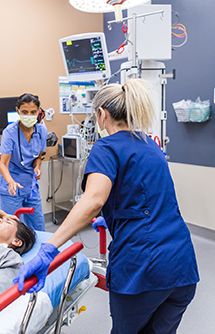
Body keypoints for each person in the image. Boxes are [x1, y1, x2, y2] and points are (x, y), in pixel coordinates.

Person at [14, 79, 199, 334]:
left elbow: (93, 200)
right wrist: (114, 217)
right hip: (182, 267)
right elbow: (148, 197)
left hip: (143, 271)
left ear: (101, 114)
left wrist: (48, 250)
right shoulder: (151, 145)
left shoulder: (106, 147)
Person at [0, 93, 47, 231]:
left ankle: (40, 252)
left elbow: (38, 156)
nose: (29, 115)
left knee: (38, 226)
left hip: (30, 185)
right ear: (17, 111)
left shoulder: (41, 130)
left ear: (39, 112)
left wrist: (37, 167)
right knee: (13, 229)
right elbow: (3, 164)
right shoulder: (10, 132)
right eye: (25, 112)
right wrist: (10, 182)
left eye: (33, 112)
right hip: (11, 186)